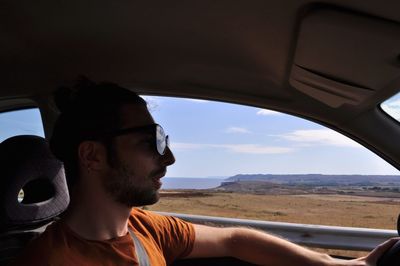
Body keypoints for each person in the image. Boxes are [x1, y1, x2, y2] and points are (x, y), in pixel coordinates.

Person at [14, 78, 399, 266]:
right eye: (151, 144)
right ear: (92, 156)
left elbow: (234, 239)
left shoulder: (145, 229)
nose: (169, 160)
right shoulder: (50, 261)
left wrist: (336, 265)